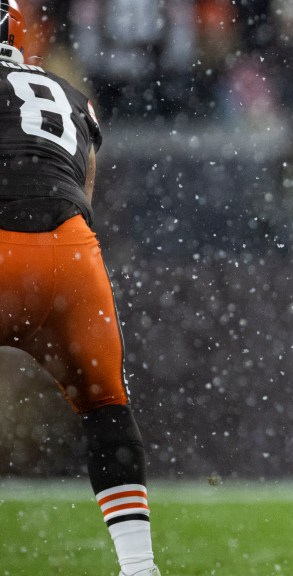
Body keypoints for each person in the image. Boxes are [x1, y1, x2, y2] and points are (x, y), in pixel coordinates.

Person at [0, 3, 161, 576]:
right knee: (105, 409)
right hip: (71, 250)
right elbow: (83, 185)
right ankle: (139, 565)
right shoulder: (66, 92)